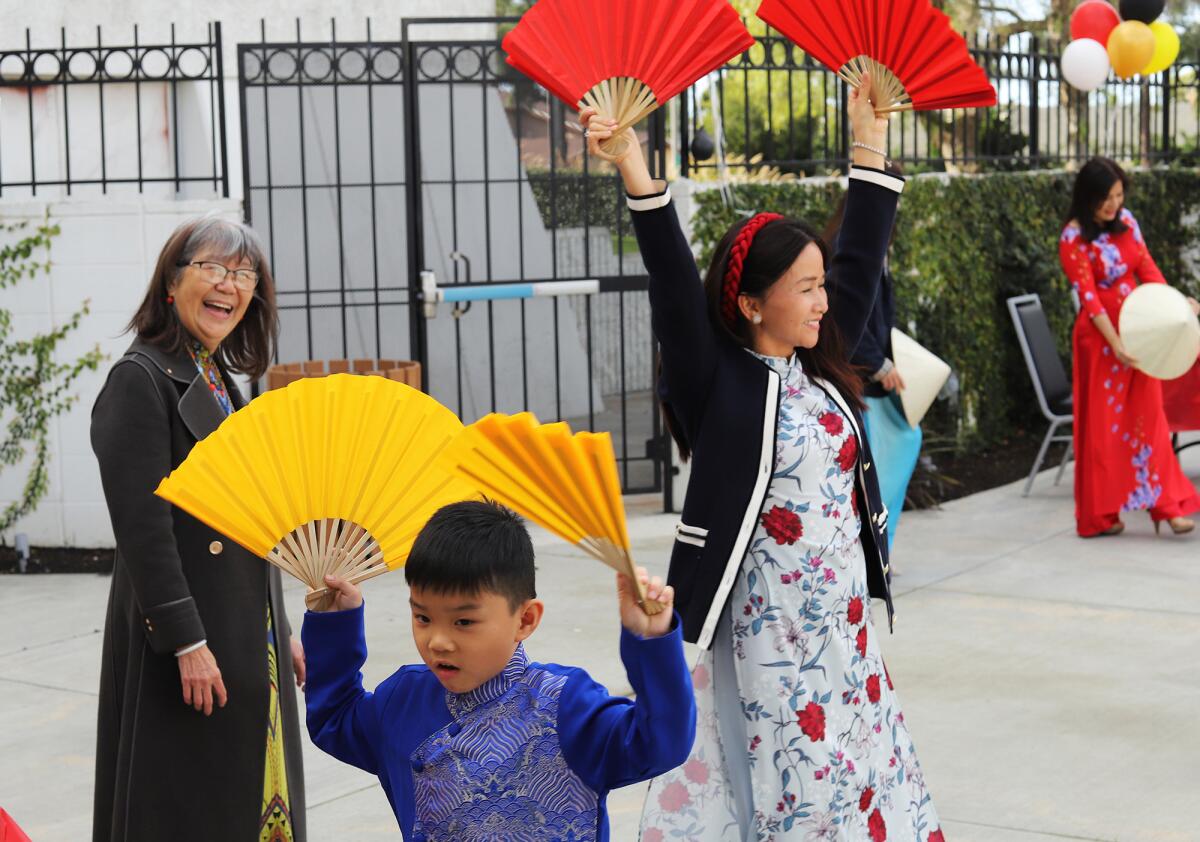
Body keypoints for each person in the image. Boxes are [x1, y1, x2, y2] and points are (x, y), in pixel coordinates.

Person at [584, 74, 945, 841]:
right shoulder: (718, 381)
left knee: (853, 777)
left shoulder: (819, 362)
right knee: (792, 788)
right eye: (803, 288)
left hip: (842, 628)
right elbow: (674, 286)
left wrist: (869, 134)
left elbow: (859, 255)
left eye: (822, 287)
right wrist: (632, 166)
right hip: (765, 634)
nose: (823, 301)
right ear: (751, 301)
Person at [302, 499, 696, 841]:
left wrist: (652, 643)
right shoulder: (402, 700)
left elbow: (660, 743)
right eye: (422, 617)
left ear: (525, 619)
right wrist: (335, 623)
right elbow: (335, 721)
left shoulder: (563, 704)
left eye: (463, 622)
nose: (438, 641)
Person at [91, 218, 306, 841]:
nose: (228, 285)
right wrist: (186, 642)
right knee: (186, 804)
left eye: (243, 275)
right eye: (212, 268)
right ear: (171, 283)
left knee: (243, 796)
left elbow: (247, 522)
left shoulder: (217, 377)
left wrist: (278, 626)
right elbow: (143, 531)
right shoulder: (140, 380)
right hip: (184, 639)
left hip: (242, 628)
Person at [1059, 157, 1200, 538]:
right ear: (1087, 197)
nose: (1113, 204)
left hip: (1142, 334)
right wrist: (1116, 344)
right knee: (1104, 431)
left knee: (1151, 418)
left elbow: (1148, 269)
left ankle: (1168, 507)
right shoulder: (1073, 238)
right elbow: (1089, 299)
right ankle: (1101, 515)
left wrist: (1175, 305)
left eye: (1118, 196)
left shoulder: (1129, 224)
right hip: (1101, 343)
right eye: (1106, 197)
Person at [826, 190, 922, 555]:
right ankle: (873, 550)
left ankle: (879, 548)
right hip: (861, 379)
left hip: (871, 375)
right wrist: (880, 365)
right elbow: (846, 318)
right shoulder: (847, 248)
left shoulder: (870, 245)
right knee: (886, 458)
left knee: (899, 447)